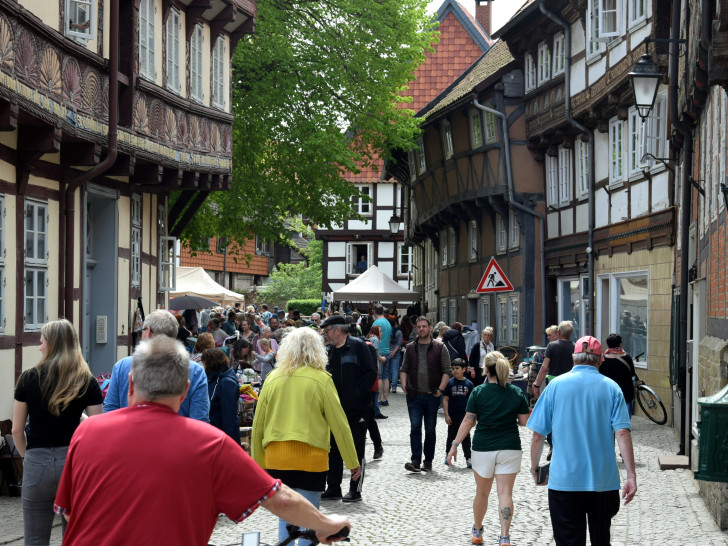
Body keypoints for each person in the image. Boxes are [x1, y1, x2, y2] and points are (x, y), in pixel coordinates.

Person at [55, 336, 352, 545]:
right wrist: (327, 524)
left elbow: (68, 511)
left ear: (131, 383)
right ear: (184, 391)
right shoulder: (210, 443)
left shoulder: (86, 432)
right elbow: (279, 498)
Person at [252, 327, 360, 546]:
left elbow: (258, 426)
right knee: (310, 523)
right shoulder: (321, 379)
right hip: (311, 460)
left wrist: (257, 465)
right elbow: (339, 424)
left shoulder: (272, 379)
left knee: (286, 521)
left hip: (277, 459)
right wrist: (352, 462)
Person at [527, 336, 637, 546]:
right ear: (601, 360)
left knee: (569, 541)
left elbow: (538, 435)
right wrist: (631, 476)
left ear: (573, 358)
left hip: (565, 482)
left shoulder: (555, 386)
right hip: (603, 482)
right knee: (601, 538)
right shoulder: (612, 388)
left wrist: (535, 468)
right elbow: (622, 432)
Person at [12, 319, 103, 545]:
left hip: (36, 463)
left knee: (34, 539)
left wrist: (26, 457)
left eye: (42, 341)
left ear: (51, 344)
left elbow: (16, 429)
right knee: (73, 538)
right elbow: (98, 430)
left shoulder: (28, 378)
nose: (40, 346)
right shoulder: (87, 381)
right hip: (72, 464)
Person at [447, 351, 529, 546]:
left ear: (486, 369)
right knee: (505, 493)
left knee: (482, 493)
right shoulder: (516, 392)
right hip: (510, 447)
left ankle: (477, 530)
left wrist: (454, 445)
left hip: (483, 447)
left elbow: (468, 421)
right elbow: (524, 421)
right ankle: (504, 536)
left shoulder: (478, 391)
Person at [104, 310, 210, 422]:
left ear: (148, 331)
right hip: (178, 438)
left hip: (128, 436)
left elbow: (110, 411)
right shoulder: (195, 371)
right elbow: (200, 419)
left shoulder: (122, 366)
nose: (141, 336)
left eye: (142, 331)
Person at [320, 315, 377, 502]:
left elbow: (371, 372)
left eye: (327, 330)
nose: (325, 334)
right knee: (333, 449)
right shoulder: (328, 351)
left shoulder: (358, 346)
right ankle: (333, 487)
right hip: (334, 411)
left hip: (357, 410)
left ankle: (355, 490)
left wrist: (358, 393)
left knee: (357, 449)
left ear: (338, 329)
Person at [400, 316, 452, 472]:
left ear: (430, 328)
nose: (421, 329)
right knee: (415, 427)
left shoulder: (440, 347)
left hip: (431, 395)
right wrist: (404, 386)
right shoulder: (410, 348)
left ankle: (428, 460)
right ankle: (415, 460)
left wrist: (440, 389)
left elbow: (447, 371)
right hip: (414, 395)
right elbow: (404, 369)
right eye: (419, 327)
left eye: (424, 326)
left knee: (430, 429)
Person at [202, 348, 241, 443]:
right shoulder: (213, 379)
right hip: (216, 433)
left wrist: (228, 442)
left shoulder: (226, 382)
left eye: (204, 362)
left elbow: (229, 416)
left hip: (222, 436)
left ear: (210, 363)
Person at [532, 320, 575, 401]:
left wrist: (537, 385)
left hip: (554, 382)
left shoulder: (552, 346)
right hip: (569, 383)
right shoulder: (575, 347)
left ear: (558, 332)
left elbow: (544, 368)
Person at [443, 358, 474, 468]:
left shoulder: (469, 384)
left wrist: (472, 417)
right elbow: (445, 399)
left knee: (466, 437)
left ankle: (468, 458)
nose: (455, 371)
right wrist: (446, 414)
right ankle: (448, 455)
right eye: (453, 369)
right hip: (452, 414)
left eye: (457, 368)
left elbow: (472, 401)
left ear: (464, 369)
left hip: (465, 416)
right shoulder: (449, 383)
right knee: (451, 436)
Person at [600, 333, 636, 417]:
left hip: (609, 393)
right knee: (625, 419)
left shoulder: (602, 359)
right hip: (626, 393)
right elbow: (632, 374)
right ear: (620, 344)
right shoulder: (627, 357)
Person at [366, 325, 388, 420]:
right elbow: (373, 353)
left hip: (372, 366)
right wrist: (381, 358)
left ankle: (375, 410)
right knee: (376, 390)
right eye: (380, 331)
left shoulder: (371, 338)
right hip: (374, 366)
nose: (381, 333)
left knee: (374, 390)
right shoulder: (375, 339)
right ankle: (375, 411)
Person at [372, 305, 392, 404]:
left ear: (374, 311)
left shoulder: (376, 323)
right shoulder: (388, 322)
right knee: (385, 377)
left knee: (379, 377)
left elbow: (374, 339)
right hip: (387, 351)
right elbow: (389, 339)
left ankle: (378, 399)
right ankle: (385, 399)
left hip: (380, 352)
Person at [387, 317, 403, 395]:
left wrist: (389, 351)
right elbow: (399, 344)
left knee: (388, 369)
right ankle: (394, 387)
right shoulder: (399, 332)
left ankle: (388, 385)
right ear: (395, 323)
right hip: (396, 353)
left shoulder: (387, 331)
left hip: (387, 352)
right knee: (395, 369)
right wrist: (394, 352)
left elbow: (385, 342)